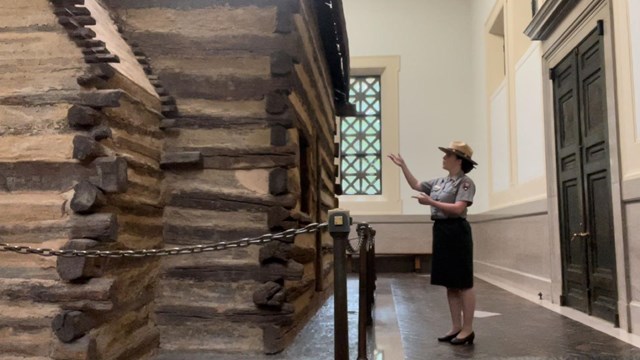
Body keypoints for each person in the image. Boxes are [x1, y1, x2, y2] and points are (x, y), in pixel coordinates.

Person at [388, 141, 478, 345]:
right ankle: (456, 326)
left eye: (447, 155)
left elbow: (457, 209)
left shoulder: (465, 183)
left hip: (457, 230)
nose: (444, 158)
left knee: (464, 281)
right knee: (450, 282)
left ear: (459, 160)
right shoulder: (440, 181)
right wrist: (403, 166)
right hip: (441, 230)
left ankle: (468, 329)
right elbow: (417, 185)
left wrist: (431, 202)